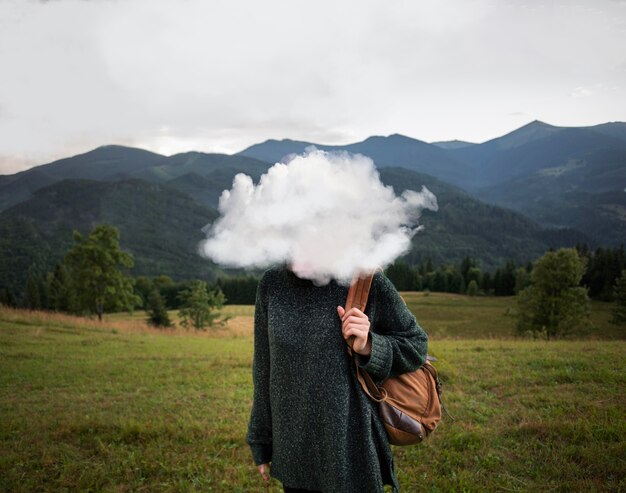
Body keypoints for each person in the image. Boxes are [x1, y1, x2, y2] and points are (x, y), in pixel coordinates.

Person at [246, 263, 429, 492]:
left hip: (351, 452)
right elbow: (264, 368)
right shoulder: (271, 283)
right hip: (294, 450)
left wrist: (369, 345)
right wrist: (261, 440)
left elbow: (416, 345)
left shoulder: (363, 278)